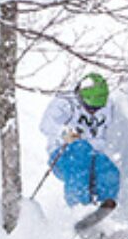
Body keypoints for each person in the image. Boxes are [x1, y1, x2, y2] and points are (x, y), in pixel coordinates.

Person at [39, 71, 122, 211]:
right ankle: (79, 209)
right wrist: (66, 134)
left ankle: (104, 211)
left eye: (97, 108)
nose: (93, 112)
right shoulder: (65, 103)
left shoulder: (108, 106)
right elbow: (46, 125)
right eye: (90, 108)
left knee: (108, 169)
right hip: (65, 155)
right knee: (81, 151)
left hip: (94, 156)